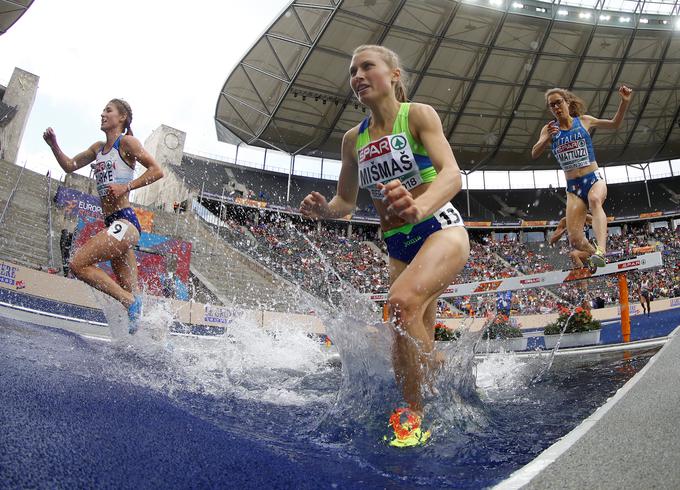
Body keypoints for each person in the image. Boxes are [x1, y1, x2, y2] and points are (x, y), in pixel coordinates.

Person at [300, 45, 470, 447]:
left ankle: (414, 415)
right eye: (352, 70)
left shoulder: (418, 115)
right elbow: (346, 202)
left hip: (440, 229)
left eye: (367, 67)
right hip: (398, 246)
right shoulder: (352, 140)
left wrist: (420, 205)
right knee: (408, 336)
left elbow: (452, 175)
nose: (357, 75)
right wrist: (325, 209)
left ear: (394, 74)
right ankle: (445, 381)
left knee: (400, 306)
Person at [43, 99, 164, 333]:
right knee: (130, 287)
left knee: (78, 264)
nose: (102, 114)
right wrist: (54, 145)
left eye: (108, 110)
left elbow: (157, 170)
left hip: (126, 221)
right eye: (103, 110)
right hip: (113, 223)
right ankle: (157, 338)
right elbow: (69, 165)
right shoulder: (97, 148)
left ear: (122, 118)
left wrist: (126, 187)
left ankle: (128, 302)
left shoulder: (126, 143)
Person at [532, 86, 632, 270]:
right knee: (576, 240)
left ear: (567, 102)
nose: (556, 107)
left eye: (558, 102)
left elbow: (614, 124)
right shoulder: (549, 129)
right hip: (573, 187)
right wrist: (547, 139)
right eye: (551, 105)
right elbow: (534, 152)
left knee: (595, 200)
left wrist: (624, 102)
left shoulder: (584, 121)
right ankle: (596, 256)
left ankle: (602, 250)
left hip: (593, 179)